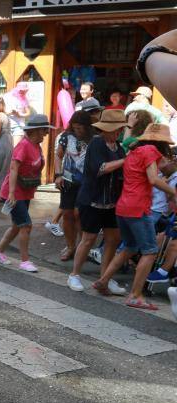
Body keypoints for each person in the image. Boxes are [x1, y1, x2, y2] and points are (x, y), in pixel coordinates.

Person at [92, 123, 176, 309]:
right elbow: (154, 180)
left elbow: (158, 170)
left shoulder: (134, 152)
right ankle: (135, 295)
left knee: (129, 246)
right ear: (162, 142)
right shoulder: (150, 151)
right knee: (150, 251)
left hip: (123, 207)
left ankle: (103, 280)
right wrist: (174, 193)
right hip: (139, 208)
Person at [68, 109, 127, 293]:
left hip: (111, 202)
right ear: (105, 129)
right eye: (116, 129)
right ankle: (74, 275)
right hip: (92, 200)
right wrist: (125, 161)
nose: (118, 132)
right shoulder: (97, 143)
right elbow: (100, 168)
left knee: (113, 239)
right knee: (89, 238)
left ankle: (105, 278)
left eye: (120, 129)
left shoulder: (119, 148)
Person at [0, 114, 54, 272]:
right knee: (26, 225)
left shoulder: (36, 147)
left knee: (17, 226)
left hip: (24, 192)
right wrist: (11, 193)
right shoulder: (24, 146)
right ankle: (25, 261)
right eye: (44, 130)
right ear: (36, 131)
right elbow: (13, 168)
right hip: (14, 193)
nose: (46, 133)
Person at [53, 110, 93, 261]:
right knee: (68, 214)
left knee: (80, 215)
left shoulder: (94, 138)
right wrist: (58, 175)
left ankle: (83, 247)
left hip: (86, 183)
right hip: (68, 182)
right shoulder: (66, 136)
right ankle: (70, 246)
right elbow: (58, 155)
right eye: (75, 127)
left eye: (80, 128)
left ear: (87, 127)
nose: (78, 131)